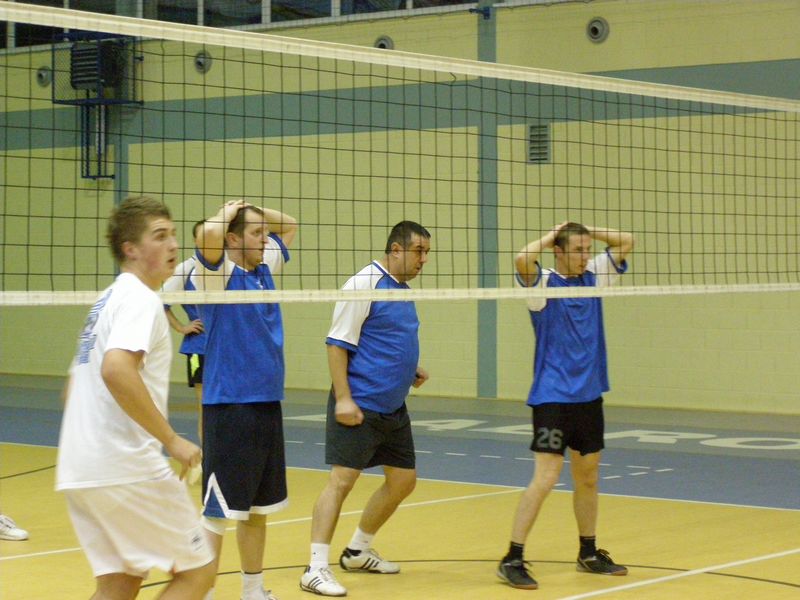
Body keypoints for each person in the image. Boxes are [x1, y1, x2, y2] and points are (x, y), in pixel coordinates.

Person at [55, 196, 215, 599]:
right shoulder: (141, 299)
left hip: (81, 468)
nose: (173, 245)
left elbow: (71, 390)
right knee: (198, 572)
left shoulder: (107, 301)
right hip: (124, 467)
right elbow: (116, 369)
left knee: (120, 583)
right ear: (130, 249)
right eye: (159, 236)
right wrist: (171, 440)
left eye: (173, 234)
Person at [497, 221, 634, 590]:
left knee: (587, 478)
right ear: (558, 251)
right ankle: (512, 557)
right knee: (546, 478)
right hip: (553, 398)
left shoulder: (595, 276)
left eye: (587, 250)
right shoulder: (542, 285)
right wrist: (552, 234)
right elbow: (522, 258)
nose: (585, 256)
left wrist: (587, 230)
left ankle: (588, 553)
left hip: (589, 397)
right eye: (577, 250)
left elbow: (627, 240)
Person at [300, 221, 431, 597]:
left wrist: (409, 369)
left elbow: (384, 339)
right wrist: (344, 398)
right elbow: (337, 344)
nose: (423, 259)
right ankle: (315, 568)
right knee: (341, 482)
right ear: (395, 249)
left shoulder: (401, 289)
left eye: (427, 253)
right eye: (418, 251)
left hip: (393, 406)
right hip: (360, 402)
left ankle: (357, 551)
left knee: (403, 480)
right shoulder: (364, 284)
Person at [193, 200, 298, 600]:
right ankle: (201, 593)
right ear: (233, 240)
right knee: (218, 511)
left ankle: (253, 590)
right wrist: (230, 210)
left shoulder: (264, 268)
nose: (266, 239)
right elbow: (208, 235)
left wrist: (254, 210)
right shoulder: (216, 274)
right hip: (230, 406)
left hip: (267, 402)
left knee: (256, 509)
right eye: (256, 233)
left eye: (264, 233)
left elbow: (290, 224)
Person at [163, 220, 207, 442]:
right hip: (198, 348)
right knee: (204, 403)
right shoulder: (185, 269)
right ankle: (207, 454)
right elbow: (160, 303)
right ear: (195, 240)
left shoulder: (227, 268)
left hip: (224, 345)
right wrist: (182, 327)